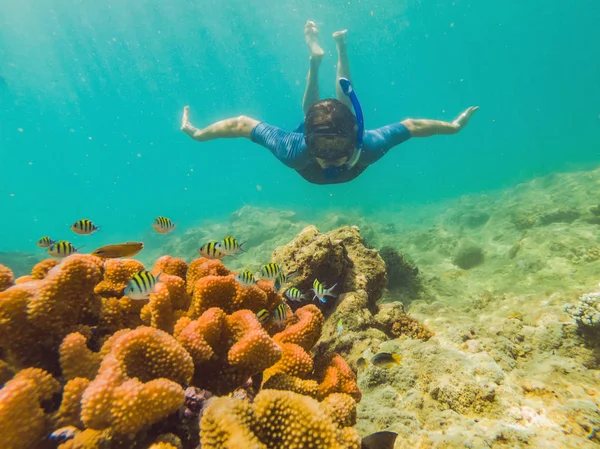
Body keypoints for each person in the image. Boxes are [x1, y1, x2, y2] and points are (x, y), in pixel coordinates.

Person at [181, 21, 478, 184]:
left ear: (354, 139)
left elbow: (242, 124)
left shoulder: (360, 147)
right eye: (323, 147)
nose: (332, 158)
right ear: (308, 142)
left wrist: (453, 127)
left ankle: (333, 50)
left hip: (343, 123)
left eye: (338, 147)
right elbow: (241, 123)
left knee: (334, 105)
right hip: (330, 125)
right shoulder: (300, 149)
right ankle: (319, 58)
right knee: (316, 109)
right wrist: (198, 134)